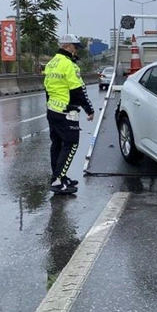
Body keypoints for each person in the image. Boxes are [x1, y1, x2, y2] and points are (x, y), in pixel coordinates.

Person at [44, 34, 95, 194]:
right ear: (67, 47)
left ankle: (60, 177)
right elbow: (78, 89)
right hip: (66, 111)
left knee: (57, 144)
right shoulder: (70, 65)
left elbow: (47, 88)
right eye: (75, 47)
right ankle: (58, 180)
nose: (77, 50)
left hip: (52, 109)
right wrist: (89, 108)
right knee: (71, 144)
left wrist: (50, 107)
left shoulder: (51, 63)